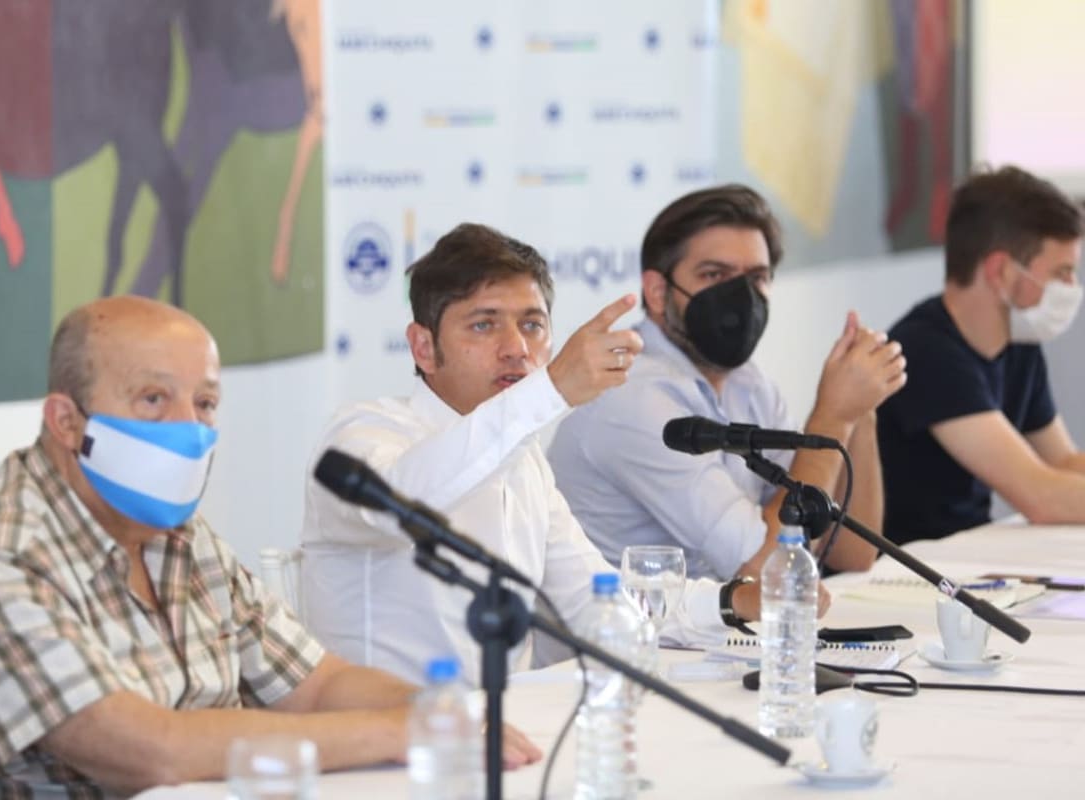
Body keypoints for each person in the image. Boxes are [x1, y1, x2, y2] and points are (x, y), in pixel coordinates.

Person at [0, 297, 540, 798]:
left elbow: (317, 684)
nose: (188, 428)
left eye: (204, 403)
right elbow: (153, 752)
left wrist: (439, 713)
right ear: (66, 422)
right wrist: (396, 733)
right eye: (152, 400)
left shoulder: (179, 538)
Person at [301, 223, 775, 687]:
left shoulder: (523, 462)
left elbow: (599, 600)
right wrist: (550, 391)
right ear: (423, 347)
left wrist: (733, 602)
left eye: (532, 325)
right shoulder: (362, 434)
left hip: (503, 736)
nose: (517, 349)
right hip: (379, 745)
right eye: (484, 324)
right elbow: (403, 505)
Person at [548, 185, 906, 581]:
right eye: (714, 274)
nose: (740, 297)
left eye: (756, 278)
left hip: (713, 633)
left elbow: (851, 553)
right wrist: (833, 416)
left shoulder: (747, 383)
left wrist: (859, 410)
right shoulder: (628, 395)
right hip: (631, 637)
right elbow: (770, 570)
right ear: (657, 290)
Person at [878, 166, 1085, 544]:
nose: (1073, 287)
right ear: (1001, 270)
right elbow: (1041, 495)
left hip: (968, 560)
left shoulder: (1020, 346)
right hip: (902, 575)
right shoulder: (924, 351)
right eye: (1063, 272)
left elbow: (1063, 463)